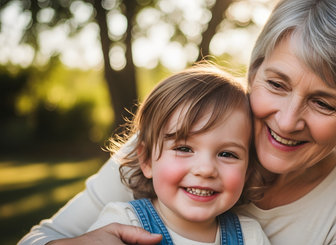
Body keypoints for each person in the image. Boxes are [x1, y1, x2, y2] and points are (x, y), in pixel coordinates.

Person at [19, 0, 336, 244]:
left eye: (324, 104)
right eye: (276, 84)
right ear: (254, 73)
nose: (287, 120)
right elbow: (40, 238)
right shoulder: (173, 139)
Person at [88, 65, 269, 244]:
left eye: (227, 154)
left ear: (248, 169)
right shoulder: (123, 222)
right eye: (184, 149)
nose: (205, 169)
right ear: (146, 160)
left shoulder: (250, 236)